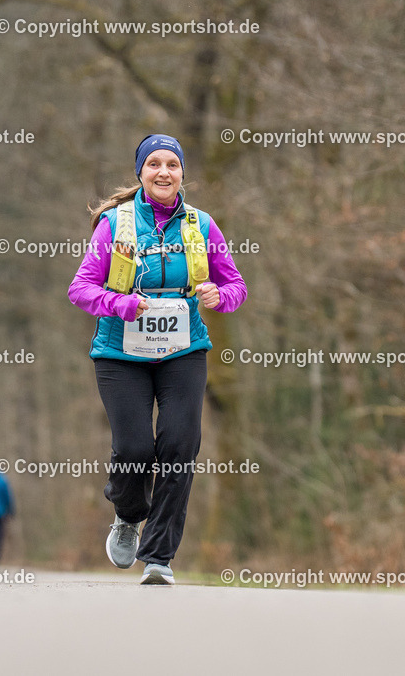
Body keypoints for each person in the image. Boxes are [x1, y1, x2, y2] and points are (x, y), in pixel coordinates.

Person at [68, 134, 247, 584]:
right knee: (134, 449)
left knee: (179, 447)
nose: (163, 172)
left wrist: (218, 295)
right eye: (154, 164)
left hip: (183, 349)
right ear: (141, 173)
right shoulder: (115, 224)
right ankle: (128, 515)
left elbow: (236, 288)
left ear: (183, 173)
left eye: (172, 164)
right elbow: (81, 289)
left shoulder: (202, 226)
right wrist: (119, 303)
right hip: (121, 351)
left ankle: (159, 558)